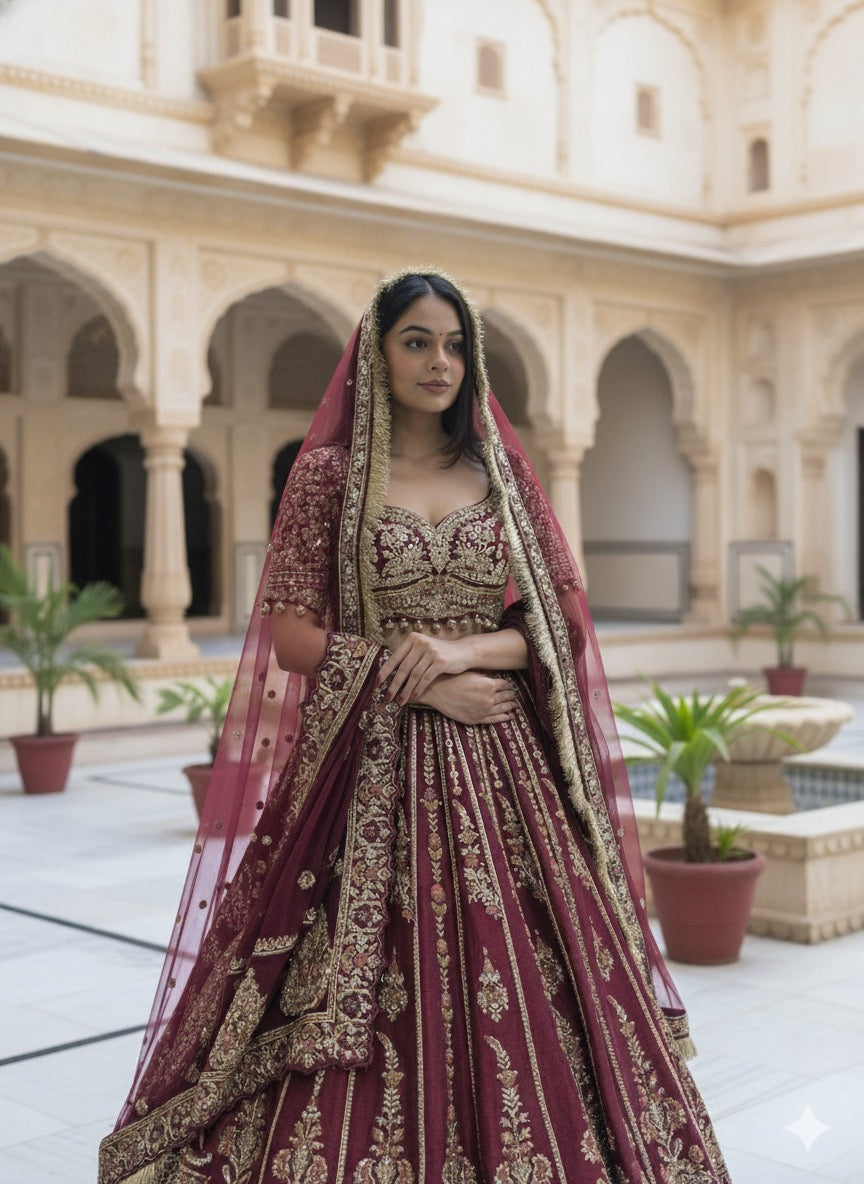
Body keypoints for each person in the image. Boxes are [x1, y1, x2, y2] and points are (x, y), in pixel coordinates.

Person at [99, 271, 730, 1183]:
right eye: (418, 342)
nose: (441, 363)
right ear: (377, 353)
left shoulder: (500, 473)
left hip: (504, 757)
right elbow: (292, 634)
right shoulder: (328, 477)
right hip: (371, 763)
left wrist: (460, 653)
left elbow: (559, 623)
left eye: (456, 345)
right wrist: (424, 684)